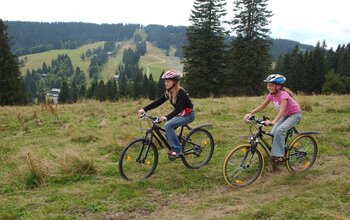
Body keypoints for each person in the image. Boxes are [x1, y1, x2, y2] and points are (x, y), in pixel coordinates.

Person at [243, 74, 302, 163]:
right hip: (286, 115)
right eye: (268, 85)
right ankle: (279, 152)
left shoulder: (284, 95)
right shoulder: (271, 95)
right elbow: (262, 106)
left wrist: (273, 122)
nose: (269, 87)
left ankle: (279, 156)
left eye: (271, 85)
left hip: (295, 115)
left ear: (278, 86)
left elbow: (281, 110)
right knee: (273, 133)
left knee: (280, 130)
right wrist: (250, 113)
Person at [138, 70, 195, 156]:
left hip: (188, 115)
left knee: (168, 125)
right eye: (165, 81)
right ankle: (178, 145)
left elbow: (178, 109)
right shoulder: (169, 93)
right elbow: (158, 102)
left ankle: (177, 150)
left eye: (168, 81)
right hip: (181, 114)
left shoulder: (181, 93)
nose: (165, 83)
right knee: (167, 131)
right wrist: (144, 109)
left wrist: (166, 117)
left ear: (174, 82)